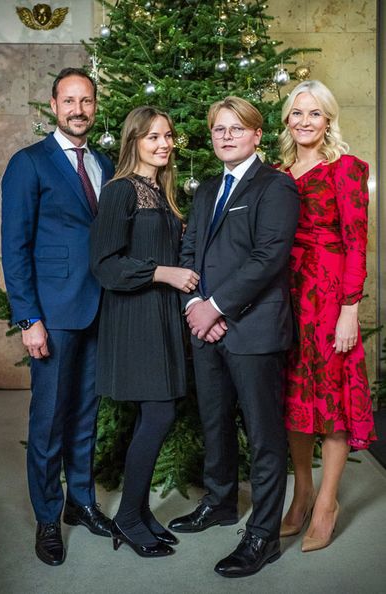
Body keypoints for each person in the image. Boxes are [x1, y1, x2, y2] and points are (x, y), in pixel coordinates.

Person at [168, 96, 300, 578]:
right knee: (215, 421)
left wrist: (215, 307)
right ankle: (220, 503)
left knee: (264, 435)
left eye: (236, 129)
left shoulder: (275, 187)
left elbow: (268, 258)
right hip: (205, 326)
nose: (226, 136)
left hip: (254, 328)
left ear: (256, 135)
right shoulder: (205, 189)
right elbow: (188, 248)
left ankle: (262, 536)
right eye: (219, 129)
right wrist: (191, 304)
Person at [1, 67, 115, 566]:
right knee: (48, 422)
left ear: (94, 106)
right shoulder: (29, 163)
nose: (78, 109)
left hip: (99, 310)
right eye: (69, 100)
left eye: (86, 100)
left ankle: (81, 502)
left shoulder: (104, 163)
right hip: (52, 314)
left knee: (85, 416)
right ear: (53, 105)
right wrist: (28, 319)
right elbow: (14, 246)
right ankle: (48, 518)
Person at [90, 106, 199, 558]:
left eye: (168, 136)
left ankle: (138, 510)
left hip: (161, 317)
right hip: (135, 318)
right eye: (152, 137)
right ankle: (129, 518)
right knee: (158, 413)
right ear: (133, 140)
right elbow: (105, 264)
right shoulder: (121, 191)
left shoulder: (159, 191)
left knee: (159, 412)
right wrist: (164, 273)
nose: (163, 144)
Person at [278, 80, 376, 553]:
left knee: (332, 402)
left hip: (331, 300)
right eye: (297, 113)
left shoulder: (347, 170)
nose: (304, 122)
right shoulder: (277, 172)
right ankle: (302, 494)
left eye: (314, 114)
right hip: (288, 299)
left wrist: (349, 310)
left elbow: (358, 244)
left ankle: (327, 504)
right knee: (295, 398)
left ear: (329, 120)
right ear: (286, 120)